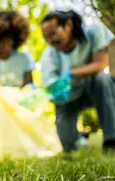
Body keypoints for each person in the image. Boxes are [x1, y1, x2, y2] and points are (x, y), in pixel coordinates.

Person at [40, 10, 115, 153]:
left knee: (102, 78)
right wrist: (55, 94)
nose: (50, 41)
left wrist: (71, 73)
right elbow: (50, 87)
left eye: (53, 34)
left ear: (68, 25)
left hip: (100, 87)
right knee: (68, 145)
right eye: (46, 38)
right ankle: (80, 139)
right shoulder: (49, 55)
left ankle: (111, 139)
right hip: (70, 96)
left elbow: (101, 64)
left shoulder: (94, 32)